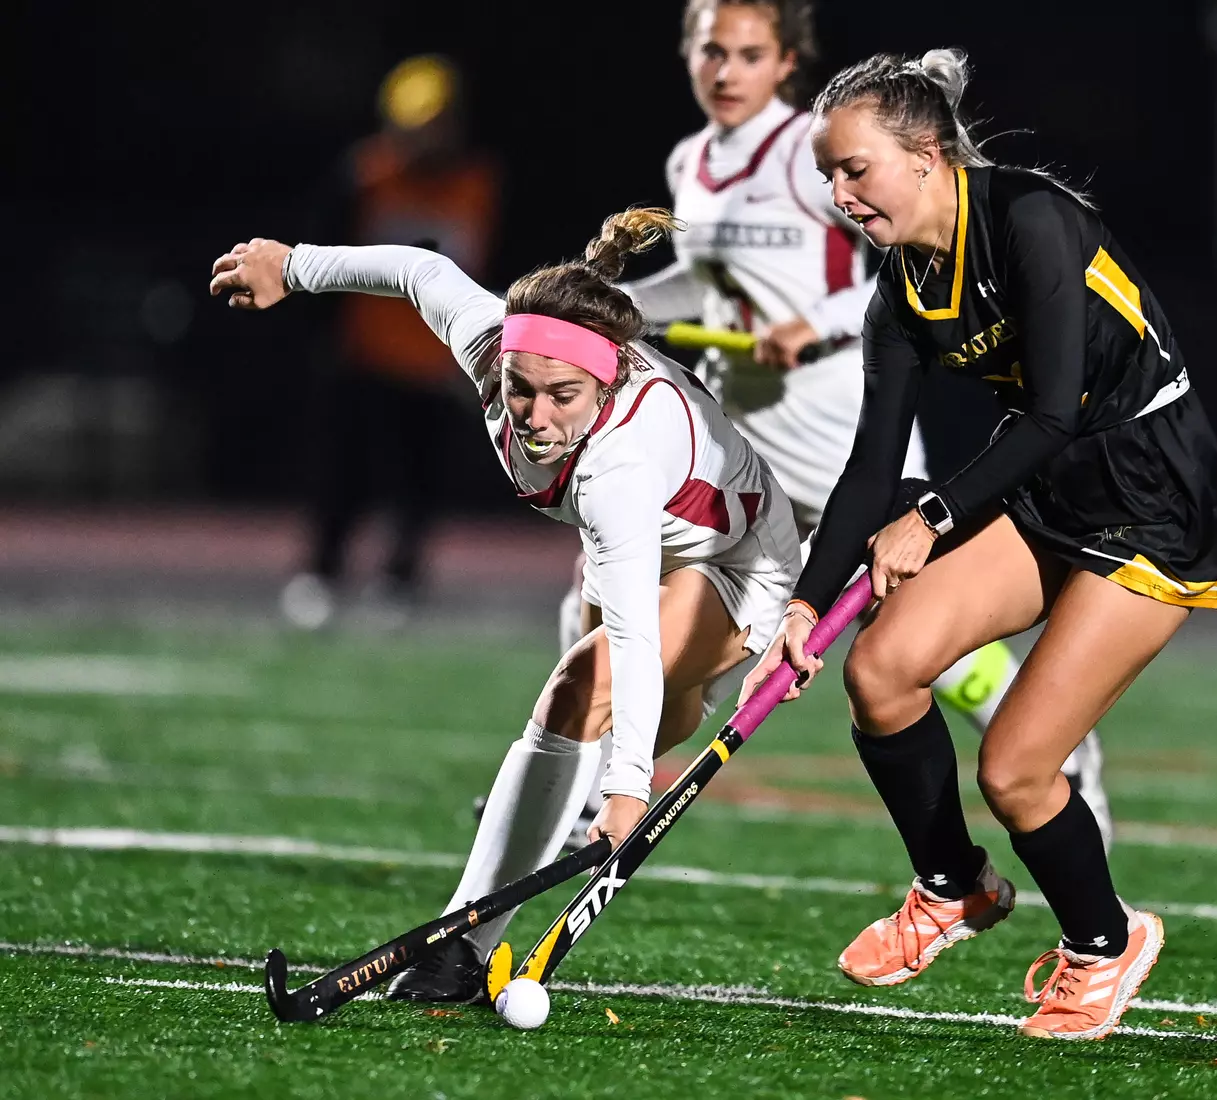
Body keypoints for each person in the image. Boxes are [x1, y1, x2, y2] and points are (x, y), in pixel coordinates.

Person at [744, 51, 1217, 1041]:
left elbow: (1056, 410)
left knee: (1015, 768)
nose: (839, 195)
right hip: (1048, 491)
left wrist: (931, 517)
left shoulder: (1030, 219)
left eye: (854, 169)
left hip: (1152, 502)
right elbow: (868, 468)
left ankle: (1104, 944)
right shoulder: (900, 291)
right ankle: (952, 885)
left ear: (925, 154)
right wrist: (801, 607)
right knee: (879, 669)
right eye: (829, 175)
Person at [547, 0, 1110, 850]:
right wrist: (608, 308)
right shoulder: (693, 162)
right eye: (710, 52)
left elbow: (893, 273)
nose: (725, 71)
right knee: (602, 582)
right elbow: (709, 287)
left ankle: (1057, 745)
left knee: (908, 633)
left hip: (838, 422)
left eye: (748, 54)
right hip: (741, 432)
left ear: (785, 63)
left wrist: (816, 323)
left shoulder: (820, 150)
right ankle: (578, 794)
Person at [209, 210, 802, 1003]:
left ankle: (462, 944)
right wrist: (293, 266)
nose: (535, 417)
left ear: (610, 381)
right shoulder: (495, 347)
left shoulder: (622, 465)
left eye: (563, 395)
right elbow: (419, 273)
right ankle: (610, 767)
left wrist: (628, 789)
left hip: (736, 560)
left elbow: (632, 637)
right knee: (647, 713)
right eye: (521, 389)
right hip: (643, 542)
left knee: (580, 695)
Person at [281, 54, 502, 631]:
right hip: (364, 353)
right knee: (342, 473)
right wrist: (324, 339)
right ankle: (321, 573)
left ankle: (399, 580)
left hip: (437, 359)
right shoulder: (365, 176)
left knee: (421, 479)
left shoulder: (478, 182)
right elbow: (322, 258)